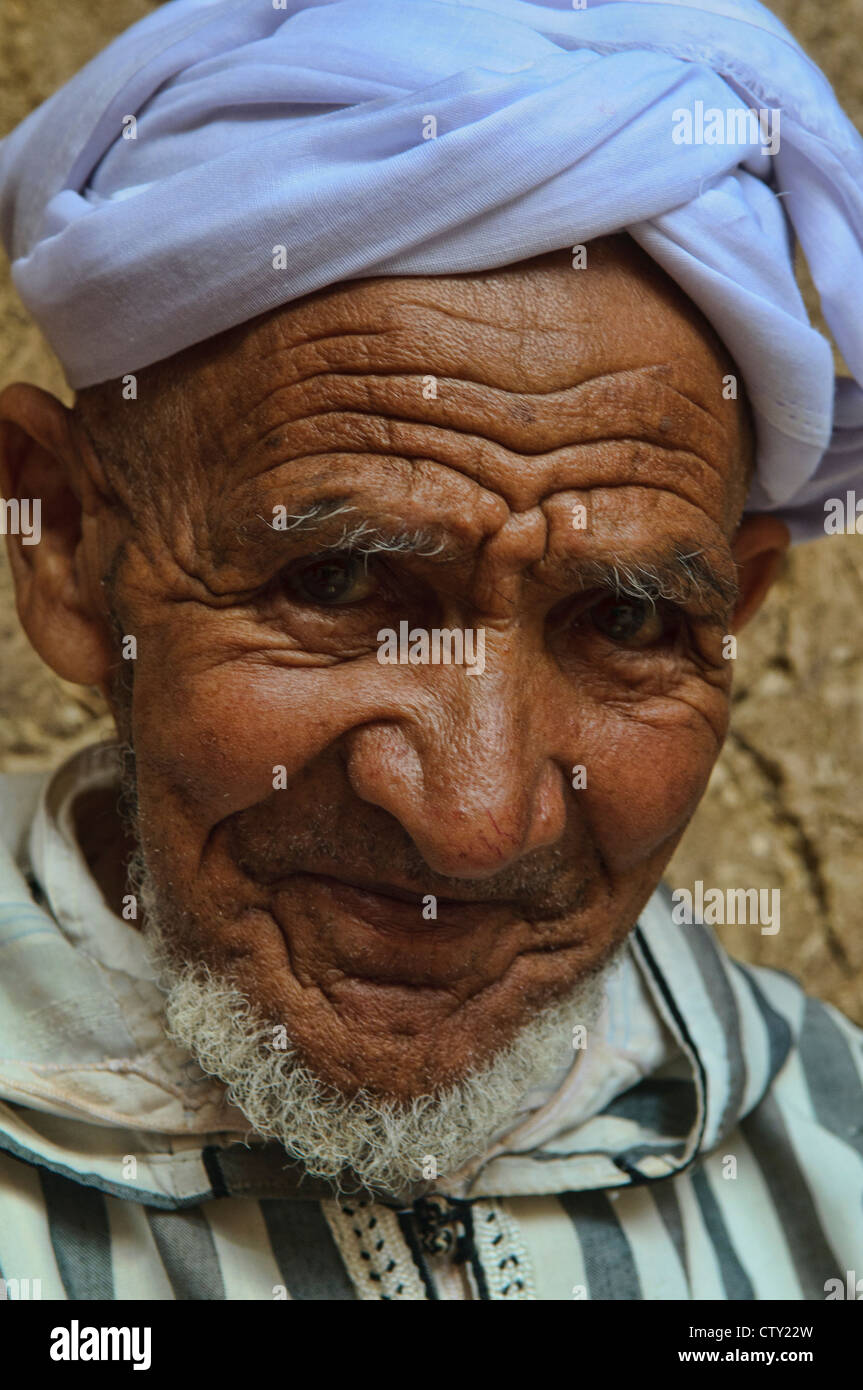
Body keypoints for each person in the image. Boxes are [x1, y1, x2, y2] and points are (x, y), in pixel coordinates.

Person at [0, 0, 860, 1301]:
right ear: (66, 540)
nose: (474, 821)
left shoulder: (832, 1153)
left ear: (732, 611)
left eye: (627, 619)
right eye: (337, 583)